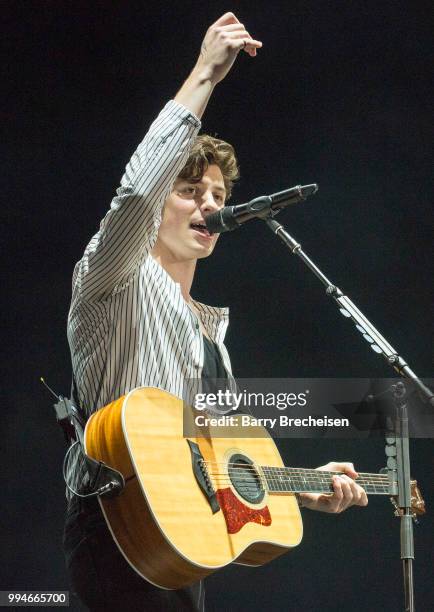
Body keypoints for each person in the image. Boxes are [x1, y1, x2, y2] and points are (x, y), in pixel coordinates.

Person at [63, 12, 368, 611]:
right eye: (190, 190)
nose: (209, 205)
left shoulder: (211, 334)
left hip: (183, 545)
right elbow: (135, 195)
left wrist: (304, 488)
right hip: (118, 526)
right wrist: (205, 73)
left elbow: (222, 465)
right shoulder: (111, 276)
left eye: (219, 197)